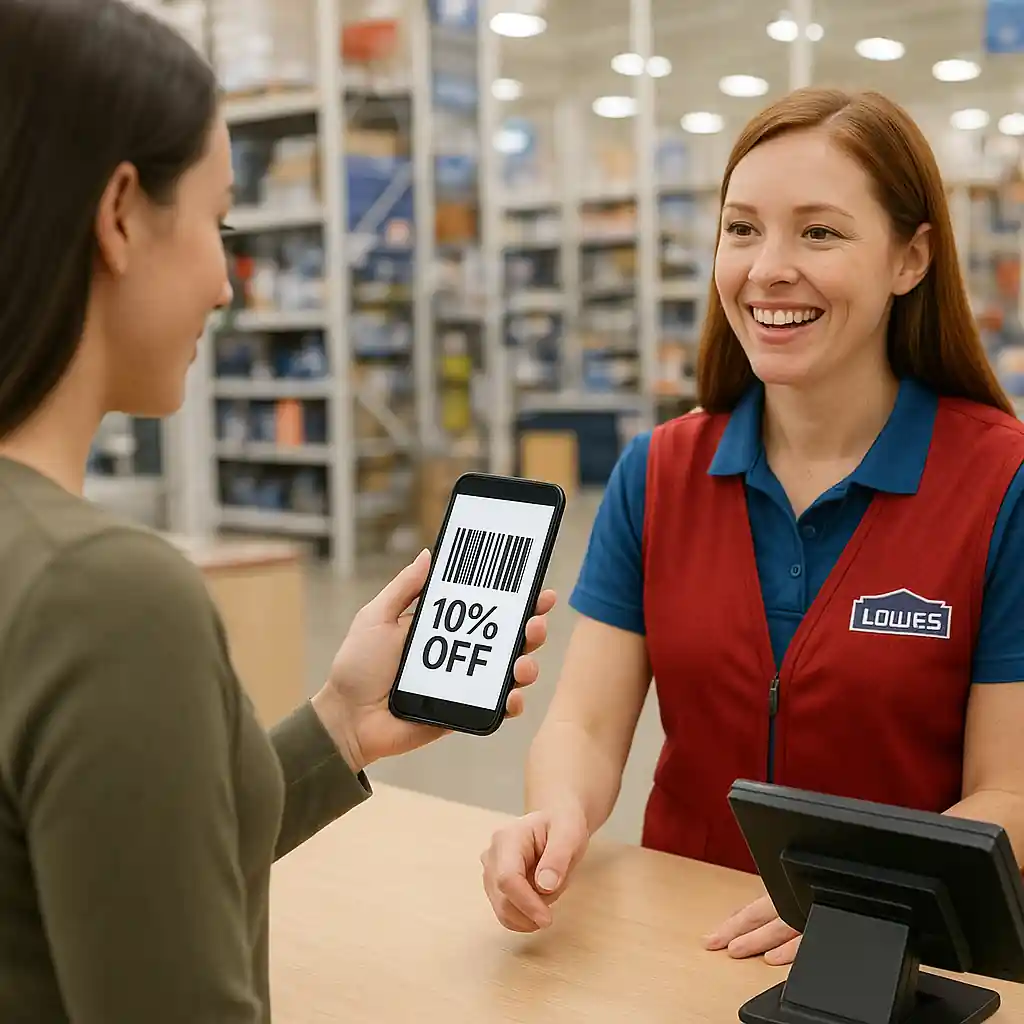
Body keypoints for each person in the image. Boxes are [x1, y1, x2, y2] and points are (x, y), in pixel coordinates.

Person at [0, 3, 556, 1023]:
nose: (225, 282)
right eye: (217, 224)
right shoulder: (102, 597)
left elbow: (117, 871)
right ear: (120, 214)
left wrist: (340, 723)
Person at [481, 86, 1024, 967]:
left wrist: (858, 897)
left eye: (820, 232)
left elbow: (1011, 792)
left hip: (907, 964)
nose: (768, 268)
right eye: (742, 229)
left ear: (910, 258)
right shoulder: (659, 473)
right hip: (679, 945)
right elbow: (583, 723)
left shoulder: (1002, 484)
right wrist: (555, 814)